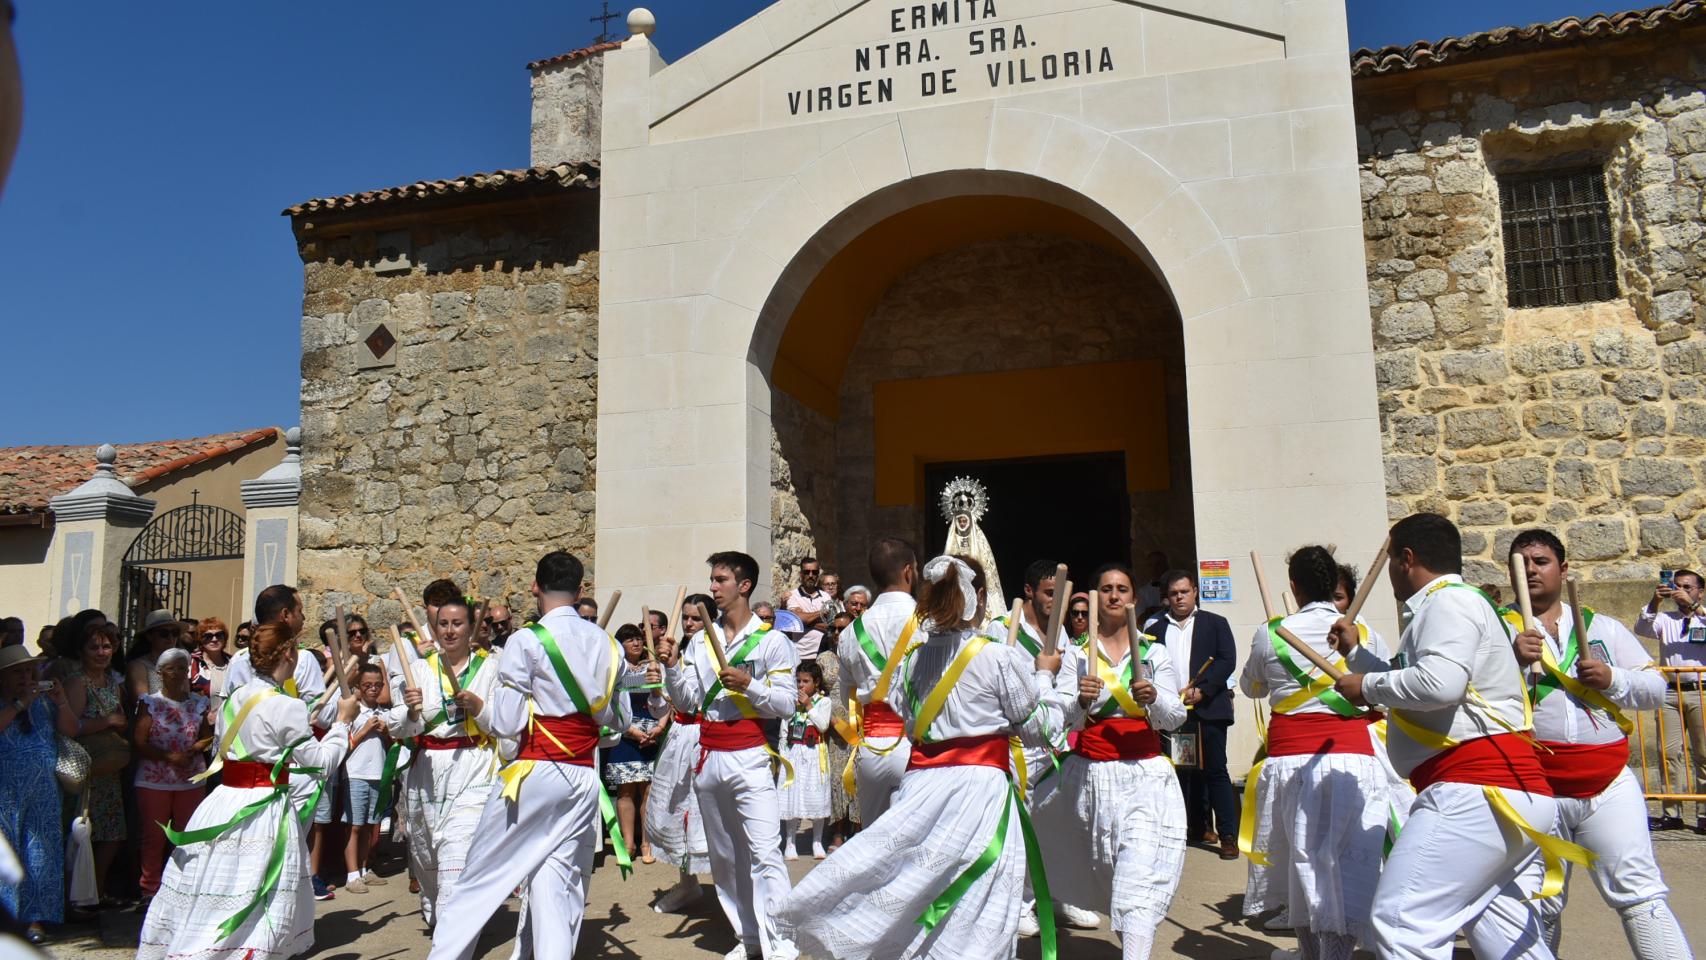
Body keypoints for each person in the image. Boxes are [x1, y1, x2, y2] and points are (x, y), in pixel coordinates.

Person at [779, 554, 1061, 960]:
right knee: (981, 895)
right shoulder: (998, 656)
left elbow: (909, 722)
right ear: (979, 597)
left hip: (922, 785)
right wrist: (1047, 676)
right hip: (978, 793)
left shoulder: (911, 660)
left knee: (919, 883)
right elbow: (1038, 730)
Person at [1328, 512, 1568, 960]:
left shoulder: (1446, 603)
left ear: (1407, 559)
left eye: (1394, 565)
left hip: (1476, 790)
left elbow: (1440, 685)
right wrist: (1358, 656)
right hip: (1501, 790)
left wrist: (1366, 686)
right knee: (1496, 930)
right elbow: (1430, 687)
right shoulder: (1466, 604)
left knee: (1402, 924)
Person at [425, 551, 625, 960]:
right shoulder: (608, 644)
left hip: (535, 771)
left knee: (480, 876)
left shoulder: (525, 640)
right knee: (557, 883)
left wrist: (481, 707)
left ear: (535, 587)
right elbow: (615, 719)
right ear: (580, 590)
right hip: (584, 775)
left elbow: (509, 721)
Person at [1502, 530, 1689, 959]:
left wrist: (1612, 679)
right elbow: (1467, 693)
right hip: (1531, 788)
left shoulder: (1601, 626)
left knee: (1641, 896)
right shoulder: (1496, 630)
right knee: (1539, 904)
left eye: (1541, 561)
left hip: (1607, 784)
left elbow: (1656, 690)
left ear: (1563, 569)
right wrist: (1507, 659)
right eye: (1521, 562)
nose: (1530, 569)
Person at [137, 623, 358, 960]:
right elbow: (319, 763)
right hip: (261, 808)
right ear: (288, 653)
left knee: (219, 883)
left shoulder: (235, 695)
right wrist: (343, 723)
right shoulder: (288, 706)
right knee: (254, 887)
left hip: (224, 800)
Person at [1237, 546, 1391, 960]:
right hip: (1354, 760)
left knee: (1302, 868)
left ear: (1294, 586)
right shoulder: (1363, 631)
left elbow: (1251, 688)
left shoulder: (1270, 633)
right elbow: (1386, 686)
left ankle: (1319, 955)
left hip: (1290, 763)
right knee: (1347, 868)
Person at [1034, 562, 1188, 960]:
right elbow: (1059, 713)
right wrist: (1079, 700)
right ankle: (1130, 934)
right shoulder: (1077, 655)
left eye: (1122, 588)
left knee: (1137, 872)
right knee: (1107, 869)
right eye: (1106, 588)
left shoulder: (1154, 650)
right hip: (1090, 780)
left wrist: (1154, 699)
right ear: (1094, 598)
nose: (1114, 595)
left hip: (1145, 777)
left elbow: (1176, 715)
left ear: (1134, 599)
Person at [655, 551, 800, 960]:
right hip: (708, 757)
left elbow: (787, 704)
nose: (713, 587)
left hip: (751, 755)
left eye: (720, 579)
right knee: (724, 856)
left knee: (764, 851)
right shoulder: (700, 642)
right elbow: (687, 701)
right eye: (713, 580)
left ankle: (780, 942)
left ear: (744, 585)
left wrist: (749, 685)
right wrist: (671, 667)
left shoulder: (772, 642)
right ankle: (748, 937)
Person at [994, 558, 1096, 936]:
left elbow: (1064, 697)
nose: (1057, 601)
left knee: (1058, 826)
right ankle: (1019, 903)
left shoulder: (1065, 637)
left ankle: (1057, 895)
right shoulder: (1001, 630)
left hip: (1053, 746)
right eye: (1050, 593)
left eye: (1062, 595)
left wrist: (1080, 703)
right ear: (1029, 592)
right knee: (1019, 830)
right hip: (1016, 748)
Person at [386, 597, 503, 927]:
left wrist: (479, 707)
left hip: (475, 767)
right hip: (427, 772)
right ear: (434, 629)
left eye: (457, 624)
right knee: (427, 855)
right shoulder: (420, 670)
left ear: (471, 629)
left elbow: (506, 723)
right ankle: (440, 918)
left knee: (458, 851)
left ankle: (454, 936)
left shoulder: (491, 669)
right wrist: (410, 710)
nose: (450, 631)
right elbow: (397, 725)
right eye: (443, 624)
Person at [1141, 569, 1238, 859]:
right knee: (1183, 771)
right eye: (1174, 593)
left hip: (1208, 708)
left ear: (1195, 591)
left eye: (1184, 592)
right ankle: (1192, 827)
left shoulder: (1215, 623)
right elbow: (1148, 666)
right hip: (1175, 711)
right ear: (1166, 597)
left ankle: (1228, 835)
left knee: (1216, 770)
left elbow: (1226, 660)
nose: (1180, 597)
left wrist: (1204, 689)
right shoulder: (1154, 629)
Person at [839, 537, 921, 825]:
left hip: (871, 748)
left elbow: (846, 694)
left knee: (872, 845)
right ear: (909, 571)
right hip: (915, 744)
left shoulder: (851, 631)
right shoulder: (926, 621)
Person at [0, 645, 76, 944]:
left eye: (30, 670)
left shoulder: (44, 703)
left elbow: (71, 730)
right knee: (7, 853)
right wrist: (19, 703)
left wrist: (62, 702)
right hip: (5, 789)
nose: (26, 676)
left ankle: (34, 919)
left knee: (39, 854)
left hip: (43, 789)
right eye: (18, 671)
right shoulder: (10, 702)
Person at [646, 595, 714, 914]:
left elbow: (688, 702)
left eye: (695, 619)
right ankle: (688, 884)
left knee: (701, 811)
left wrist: (671, 668)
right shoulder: (683, 650)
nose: (688, 624)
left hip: (703, 738)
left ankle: (731, 888)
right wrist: (655, 687)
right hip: (678, 737)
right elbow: (663, 707)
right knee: (675, 809)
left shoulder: (708, 651)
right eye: (685, 618)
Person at [133, 648, 213, 902]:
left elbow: (208, 736)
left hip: (190, 778)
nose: (178, 673)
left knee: (187, 834)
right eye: (172, 668)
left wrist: (196, 748)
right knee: (154, 836)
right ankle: (150, 888)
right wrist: (169, 757)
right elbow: (140, 741)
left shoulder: (198, 702)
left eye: (182, 667)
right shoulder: (150, 703)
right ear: (161, 673)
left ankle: (183, 885)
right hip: (154, 780)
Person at [61, 620, 128, 903]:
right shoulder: (77, 681)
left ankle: (96, 891)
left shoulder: (113, 681)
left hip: (108, 772)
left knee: (111, 835)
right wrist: (107, 721)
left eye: (107, 646)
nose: (102, 652)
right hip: (86, 769)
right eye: (94, 647)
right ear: (81, 651)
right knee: (81, 833)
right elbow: (70, 727)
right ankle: (76, 897)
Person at [1636, 568, 1706, 831]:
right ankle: (1671, 812)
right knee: (1668, 753)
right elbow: (1642, 627)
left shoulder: (1703, 616)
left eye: (1688, 587)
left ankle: (1704, 813)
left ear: (1700, 590)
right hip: (1670, 691)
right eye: (1677, 586)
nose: (1681, 592)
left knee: (1704, 754)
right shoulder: (1666, 618)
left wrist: (1696, 606)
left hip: (1701, 690)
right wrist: (1655, 601)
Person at [607, 624, 661, 867]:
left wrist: (659, 727)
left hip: (651, 732)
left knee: (648, 790)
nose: (636, 643)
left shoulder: (654, 667)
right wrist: (629, 730)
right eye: (629, 640)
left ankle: (647, 843)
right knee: (626, 790)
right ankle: (628, 843)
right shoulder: (614, 670)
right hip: (625, 733)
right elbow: (608, 703)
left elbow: (666, 698)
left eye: (638, 639)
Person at [342, 663, 393, 894]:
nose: (373, 689)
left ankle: (364, 868)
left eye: (377, 685)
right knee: (354, 825)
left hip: (377, 773)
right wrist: (364, 730)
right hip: (355, 774)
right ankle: (352, 874)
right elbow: (343, 744)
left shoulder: (385, 713)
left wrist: (386, 732)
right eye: (367, 685)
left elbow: (392, 746)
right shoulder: (353, 711)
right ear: (359, 687)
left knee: (370, 825)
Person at [778, 661, 831, 861]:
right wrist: (783, 751)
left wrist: (809, 705)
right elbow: (784, 727)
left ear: (816, 683)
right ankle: (790, 841)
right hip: (793, 752)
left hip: (813, 753)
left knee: (816, 797)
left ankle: (817, 841)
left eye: (806, 681)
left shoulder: (823, 702)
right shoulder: (791, 702)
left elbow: (823, 725)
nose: (801, 685)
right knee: (792, 797)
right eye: (798, 681)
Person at [817, 610, 859, 850]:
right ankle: (838, 834)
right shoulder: (824, 659)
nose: (836, 633)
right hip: (834, 730)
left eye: (842, 629)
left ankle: (860, 831)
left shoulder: (861, 654)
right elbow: (816, 689)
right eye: (833, 629)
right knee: (837, 781)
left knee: (858, 780)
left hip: (860, 726)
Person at [781, 558, 832, 663]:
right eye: (806, 572)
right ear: (801, 574)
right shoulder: (792, 596)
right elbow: (797, 619)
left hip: (823, 654)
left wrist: (806, 622)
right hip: (800, 655)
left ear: (818, 574)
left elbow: (830, 626)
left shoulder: (826, 597)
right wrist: (821, 613)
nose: (810, 575)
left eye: (814, 572)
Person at [127, 610, 184, 698]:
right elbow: (142, 702)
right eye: (164, 633)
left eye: (175, 633)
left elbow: (186, 697)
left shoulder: (181, 664)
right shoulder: (138, 666)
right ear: (149, 637)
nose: (171, 638)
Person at [190, 618, 232, 708]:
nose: (214, 639)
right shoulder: (192, 662)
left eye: (219, 635)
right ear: (200, 639)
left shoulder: (234, 662)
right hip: (202, 720)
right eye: (208, 636)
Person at [1134, 551, 1170, 620]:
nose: (1154, 568)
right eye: (1150, 565)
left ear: (1166, 565)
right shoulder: (1142, 593)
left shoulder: (1176, 588)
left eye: (1158, 564)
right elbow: (1139, 620)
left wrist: (1152, 610)